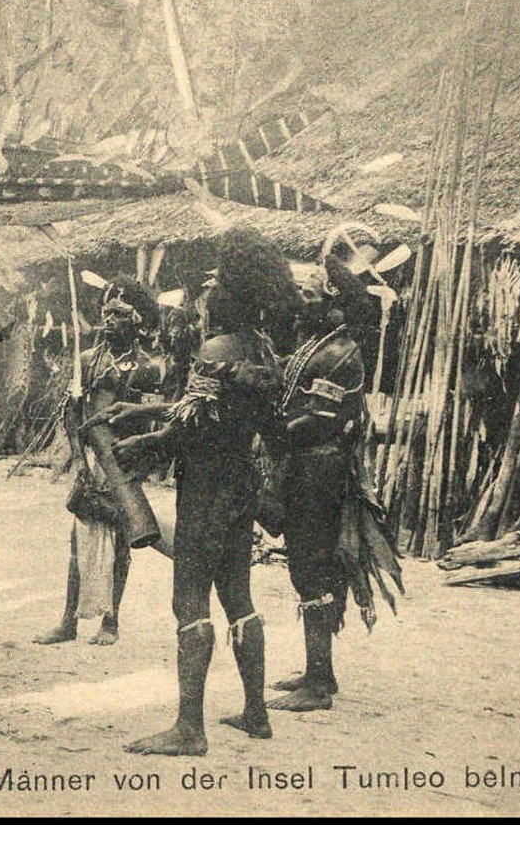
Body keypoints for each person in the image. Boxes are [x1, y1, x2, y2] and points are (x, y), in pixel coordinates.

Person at [96, 228, 304, 755]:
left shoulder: (214, 348)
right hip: (241, 485)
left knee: (188, 598)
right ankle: (256, 712)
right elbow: (211, 412)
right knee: (239, 596)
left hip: (206, 489)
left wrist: (147, 439)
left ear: (228, 295)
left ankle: (190, 727)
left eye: (212, 289)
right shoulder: (261, 349)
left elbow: (190, 426)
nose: (206, 297)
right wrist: (146, 411)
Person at [266, 251, 402, 712]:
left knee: (312, 566)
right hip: (302, 465)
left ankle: (320, 683)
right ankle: (315, 669)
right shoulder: (316, 345)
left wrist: (267, 427)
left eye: (310, 294)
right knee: (303, 565)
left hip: (319, 469)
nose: (301, 301)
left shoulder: (342, 354)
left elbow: (317, 419)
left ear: (334, 302)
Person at [34, 275, 167, 647]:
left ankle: (111, 620)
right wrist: (79, 460)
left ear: (137, 321)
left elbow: (149, 422)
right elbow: (72, 413)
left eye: (120, 315)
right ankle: (68, 621)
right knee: (78, 539)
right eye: (107, 313)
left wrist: (138, 465)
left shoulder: (148, 368)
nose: (110, 321)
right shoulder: (88, 360)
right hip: (91, 459)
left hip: (123, 461)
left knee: (122, 537)